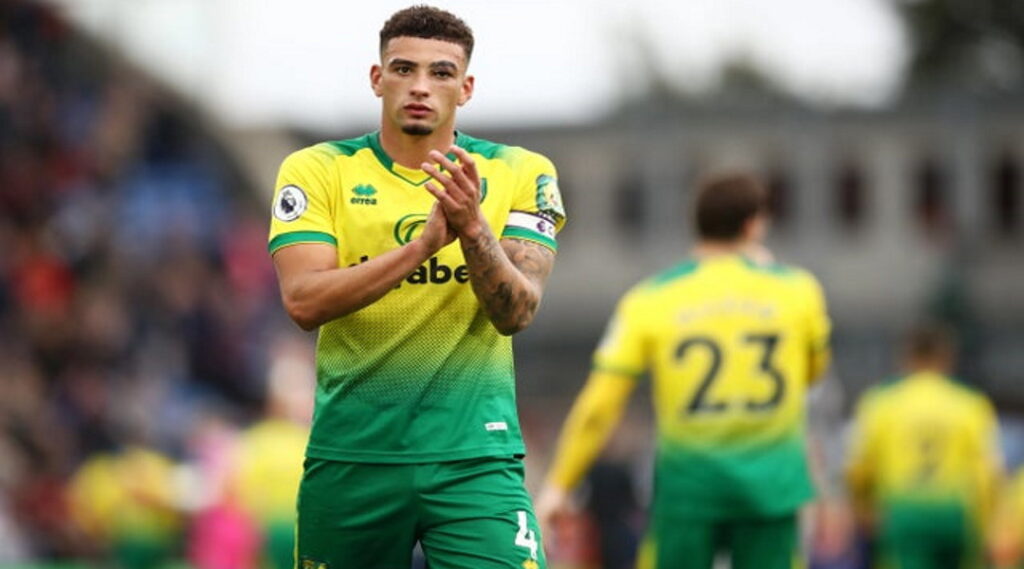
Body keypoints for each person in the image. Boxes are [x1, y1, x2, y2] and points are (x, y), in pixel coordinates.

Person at [267, 6, 566, 569]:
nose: (421, 86)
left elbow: (517, 312)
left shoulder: (521, 172)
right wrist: (420, 249)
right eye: (404, 69)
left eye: (441, 72)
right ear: (377, 78)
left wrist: (472, 228)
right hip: (353, 456)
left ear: (466, 87)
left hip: (475, 460)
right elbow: (302, 301)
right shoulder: (318, 170)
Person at [537, 173, 831, 569]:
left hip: (688, 487)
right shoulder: (798, 290)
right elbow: (812, 373)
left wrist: (559, 484)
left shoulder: (651, 298)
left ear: (697, 224)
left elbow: (600, 405)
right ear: (753, 225)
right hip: (772, 485)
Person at [845, 324, 1003, 569]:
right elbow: (989, 472)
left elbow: (859, 467)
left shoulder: (881, 403)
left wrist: (862, 508)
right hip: (953, 511)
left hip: (903, 510)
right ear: (947, 358)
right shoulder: (970, 404)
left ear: (906, 357)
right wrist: (985, 523)